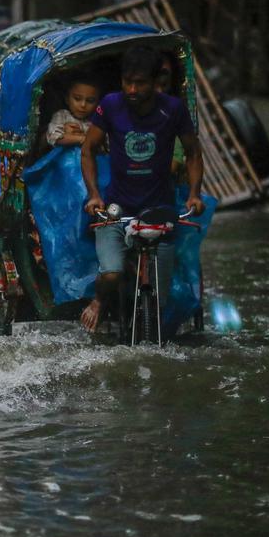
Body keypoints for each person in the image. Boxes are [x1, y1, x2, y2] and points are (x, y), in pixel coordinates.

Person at [79, 46, 205, 332]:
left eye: (140, 83)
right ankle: (99, 301)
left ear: (156, 81)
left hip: (159, 211)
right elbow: (88, 149)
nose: (132, 89)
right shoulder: (110, 105)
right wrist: (94, 194)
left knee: (159, 300)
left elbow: (193, 153)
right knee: (110, 274)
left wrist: (195, 193)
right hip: (117, 208)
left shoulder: (172, 109)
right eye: (127, 82)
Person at [45, 75, 101, 147]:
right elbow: (52, 136)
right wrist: (82, 139)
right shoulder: (62, 115)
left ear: (97, 103)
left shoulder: (97, 121)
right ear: (67, 99)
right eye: (77, 99)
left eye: (90, 101)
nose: (83, 105)